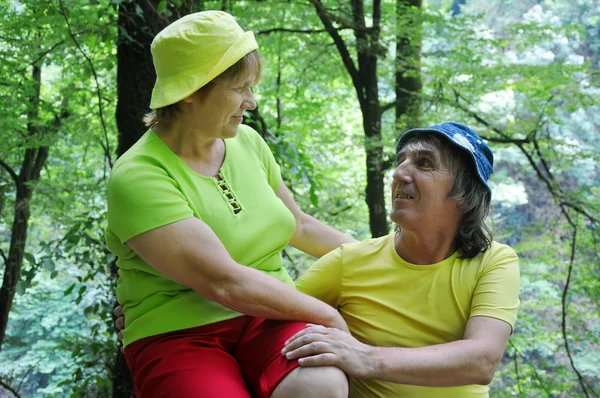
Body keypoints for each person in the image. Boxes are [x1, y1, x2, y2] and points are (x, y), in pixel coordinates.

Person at [105, 11, 355, 398]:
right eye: (240, 88)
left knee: (321, 384)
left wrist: (381, 256)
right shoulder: (138, 176)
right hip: (178, 334)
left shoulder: (249, 143)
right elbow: (223, 282)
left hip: (269, 316)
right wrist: (326, 314)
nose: (251, 102)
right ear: (191, 90)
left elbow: (300, 226)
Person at [282, 122, 520, 397]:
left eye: (425, 163)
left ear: (464, 193)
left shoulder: (495, 262)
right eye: (401, 161)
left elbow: (482, 360)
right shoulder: (349, 261)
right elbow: (268, 322)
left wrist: (364, 357)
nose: (399, 173)